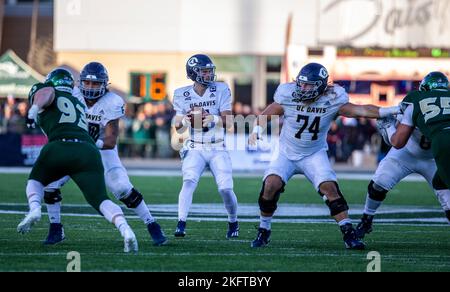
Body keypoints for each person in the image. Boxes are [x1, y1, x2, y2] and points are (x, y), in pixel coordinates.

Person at [248, 62, 400, 249]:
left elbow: (360, 110)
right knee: (270, 185)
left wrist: (392, 109)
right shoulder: (287, 94)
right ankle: (264, 230)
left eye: (308, 85)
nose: (303, 88)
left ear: (320, 85)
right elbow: (269, 111)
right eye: (301, 83)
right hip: (286, 153)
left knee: (330, 189)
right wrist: (256, 129)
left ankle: (348, 234)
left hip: (313, 153)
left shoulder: (333, 98)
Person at [42, 62, 167, 246]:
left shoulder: (112, 102)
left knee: (122, 188)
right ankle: (55, 228)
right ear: (80, 82)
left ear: (104, 84)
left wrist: (91, 141)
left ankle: (151, 224)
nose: (91, 87)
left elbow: (110, 141)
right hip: (74, 149)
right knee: (50, 183)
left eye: (95, 84)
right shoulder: (72, 94)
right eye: (88, 83)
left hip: (101, 150)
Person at [17, 68, 138, 253]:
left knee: (37, 182)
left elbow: (47, 93)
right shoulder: (78, 102)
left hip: (60, 146)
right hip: (88, 151)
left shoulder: (49, 90)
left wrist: (33, 109)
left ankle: (34, 209)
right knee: (100, 199)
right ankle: (126, 229)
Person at [172, 54, 239, 239]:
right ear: (194, 73)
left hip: (217, 146)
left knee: (225, 189)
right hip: (195, 147)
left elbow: (229, 121)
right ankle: (181, 223)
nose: (209, 75)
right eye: (205, 71)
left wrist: (214, 118)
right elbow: (177, 126)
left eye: (210, 71)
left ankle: (233, 221)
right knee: (188, 182)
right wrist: (186, 120)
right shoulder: (181, 93)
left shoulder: (221, 89)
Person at [387, 71, 450, 219]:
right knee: (439, 183)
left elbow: (397, 142)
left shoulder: (415, 98)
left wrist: (388, 127)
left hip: (443, 140)